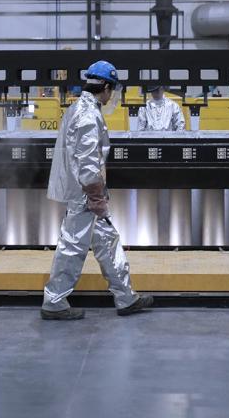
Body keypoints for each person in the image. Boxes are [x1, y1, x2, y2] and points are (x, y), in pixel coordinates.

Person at [41, 60, 154, 320]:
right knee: (72, 247)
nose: (112, 95)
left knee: (107, 242)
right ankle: (54, 301)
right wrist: (94, 194)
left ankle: (126, 298)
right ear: (104, 86)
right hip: (85, 195)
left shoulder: (81, 109)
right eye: (111, 89)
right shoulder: (87, 115)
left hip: (89, 193)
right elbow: (88, 157)